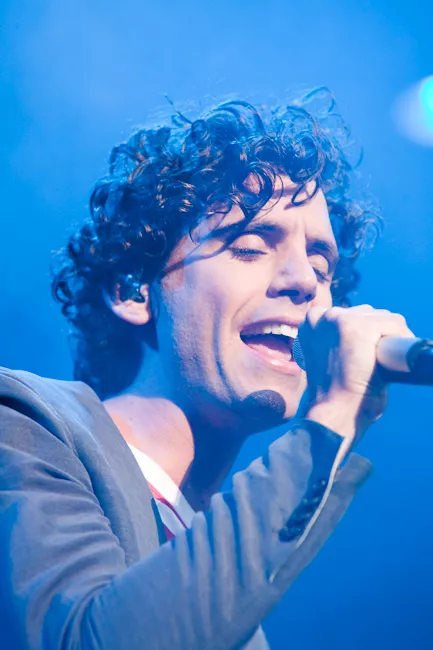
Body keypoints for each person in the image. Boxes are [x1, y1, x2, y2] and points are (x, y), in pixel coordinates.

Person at [0, 90, 414, 650]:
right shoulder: (24, 425)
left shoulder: (233, 610)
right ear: (133, 289)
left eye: (321, 266)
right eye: (250, 246)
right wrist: (335, 413)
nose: (305, 283)